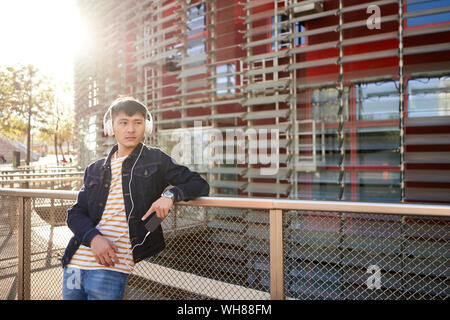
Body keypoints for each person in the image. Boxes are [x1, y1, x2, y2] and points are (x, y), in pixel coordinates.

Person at [61, 96, 210, 300]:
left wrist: (170, 195)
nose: (130, 129)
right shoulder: (94, 169)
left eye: (137, 123)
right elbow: (75, 214)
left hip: (112, 266)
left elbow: (199, 184)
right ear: (111, 127)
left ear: (146, 127)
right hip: (74, 264)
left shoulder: (156, 159)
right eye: (123, 123)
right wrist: (94, 238)